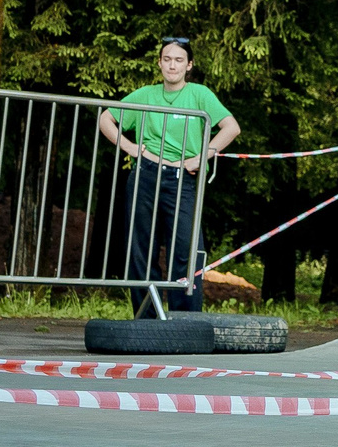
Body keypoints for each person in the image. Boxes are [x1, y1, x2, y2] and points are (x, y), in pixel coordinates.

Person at [97, 37, 240, 316]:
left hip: (183, 178)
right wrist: (130, 147)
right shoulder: (145, 94)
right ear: (160, 63)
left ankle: (184, 320)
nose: (172, 65)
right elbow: (106, 119)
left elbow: (231, 127)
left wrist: (204, 155)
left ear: (189, 65)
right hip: (146, 175)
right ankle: (146, 318)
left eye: (178, 60)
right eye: (167, 59)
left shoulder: (200, 94)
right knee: (140, 250)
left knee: (186, 250)